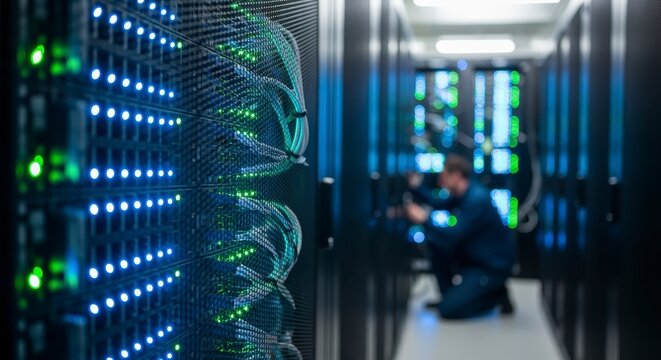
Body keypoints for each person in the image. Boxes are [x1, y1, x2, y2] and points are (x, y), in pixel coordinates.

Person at [404, 154, 516, 319]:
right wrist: (415, 187)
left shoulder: (477, 199)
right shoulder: (463, 193)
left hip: (490, 267)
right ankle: (451, 296)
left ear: (456, 176)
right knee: (435, 243)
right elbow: (437, 203)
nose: (440, 182)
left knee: (448, 310)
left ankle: (496, 294)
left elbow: (454, 235)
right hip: (474, 258)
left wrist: (424, 219)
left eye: (444, 176)